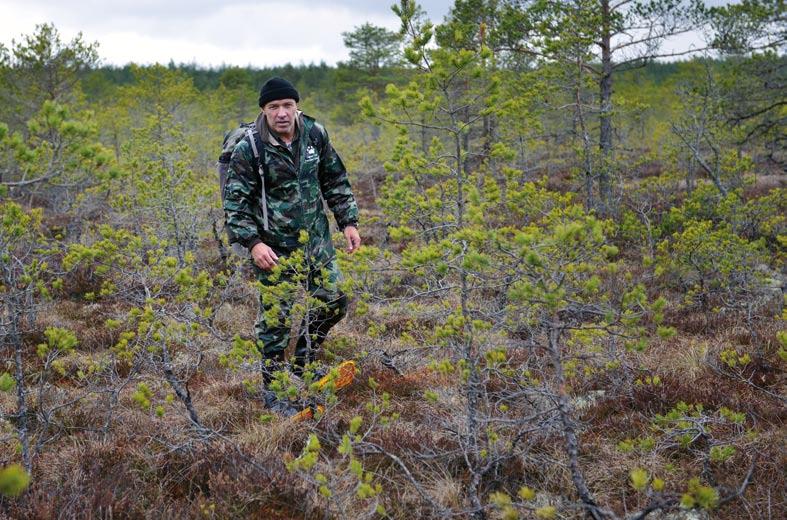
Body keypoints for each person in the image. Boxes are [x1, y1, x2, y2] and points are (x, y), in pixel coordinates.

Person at [223, 77, 360, 394]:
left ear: (297, 107)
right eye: (274, 107)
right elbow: (235, 204)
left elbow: (334, 178)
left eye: (287, 105)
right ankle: (275, 392)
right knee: (275, 323)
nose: (281, 113)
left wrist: (348, 222)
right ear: (265, 111)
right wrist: (254, 244)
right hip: (273, 249)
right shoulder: (251, 149)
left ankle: (302, 365)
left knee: (334, 301)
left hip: (317, 242)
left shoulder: (314, 134)